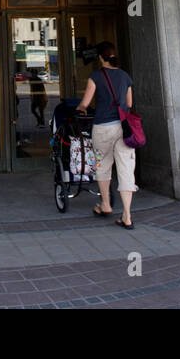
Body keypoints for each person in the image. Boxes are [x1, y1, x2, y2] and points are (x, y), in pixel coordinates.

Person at [76, 41, 137, 229]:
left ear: (101, 58)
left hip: (102, 127)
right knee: (126, 169)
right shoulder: (125, 76)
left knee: (103, 166)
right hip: (123, 128)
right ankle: (127, 216)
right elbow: (129, 103)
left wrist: (80, 108)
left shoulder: (96, 76)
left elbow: (85, 103)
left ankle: (105, 204)